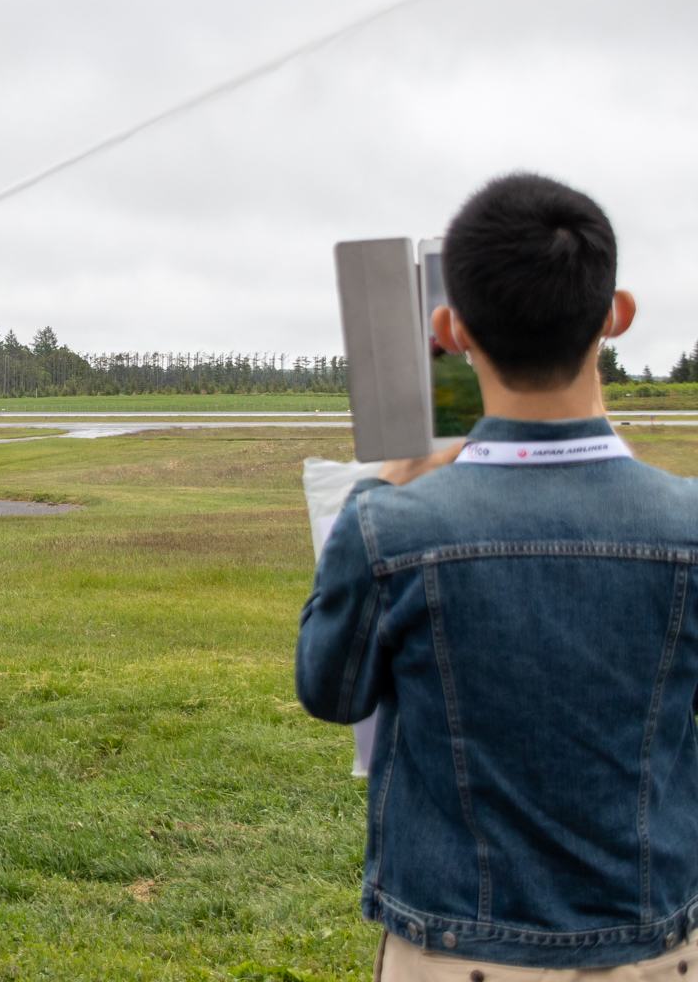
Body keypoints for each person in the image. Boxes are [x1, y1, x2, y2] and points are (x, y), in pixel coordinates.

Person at [297, 173, 698, 979]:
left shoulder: (388, 526)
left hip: (450, 951)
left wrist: (390, 487)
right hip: (655, 947)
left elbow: (329, 693)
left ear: (450, 328)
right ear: (616, 314)